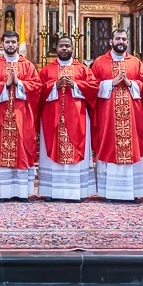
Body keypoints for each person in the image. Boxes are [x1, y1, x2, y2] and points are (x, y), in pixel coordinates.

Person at [0, 30, 41, 201]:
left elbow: (37, 87)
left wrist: (19, 83)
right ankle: (3, 192)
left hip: (22, 115)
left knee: (22, 149)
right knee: (0, 149)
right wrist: (5, 84)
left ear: (17, 44)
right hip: (0, 117)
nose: (10, 45)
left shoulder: (27, 65)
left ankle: (21, 192)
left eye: (13, 42)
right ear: (1, 44)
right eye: (7, 42)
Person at [38, 36, 98, 201]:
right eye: (61, 46)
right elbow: (37, 91)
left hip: (77, 118)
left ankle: (76, 191)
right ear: (56, 48)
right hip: (53, 119)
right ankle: (51, 191)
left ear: (73, 48)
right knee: (53, 149)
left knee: (76, 149)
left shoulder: (83, 69)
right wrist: (53, 86)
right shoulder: (47, 70)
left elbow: (94, 88)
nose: (64, 49)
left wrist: (76, 85)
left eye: (67, 46)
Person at [91, 29, 143, 203]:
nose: (120, 41)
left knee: (133, 147)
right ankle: (109, 192)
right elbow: (91, 86)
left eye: (123, 39)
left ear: (127, 42)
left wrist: (131, 83)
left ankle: (132, 192)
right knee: (109, 146)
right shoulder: (100, 62)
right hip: (108, 116)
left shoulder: (136, 62)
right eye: (117, 38)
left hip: (132, 116)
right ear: (110, 41)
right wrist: (110, 83)